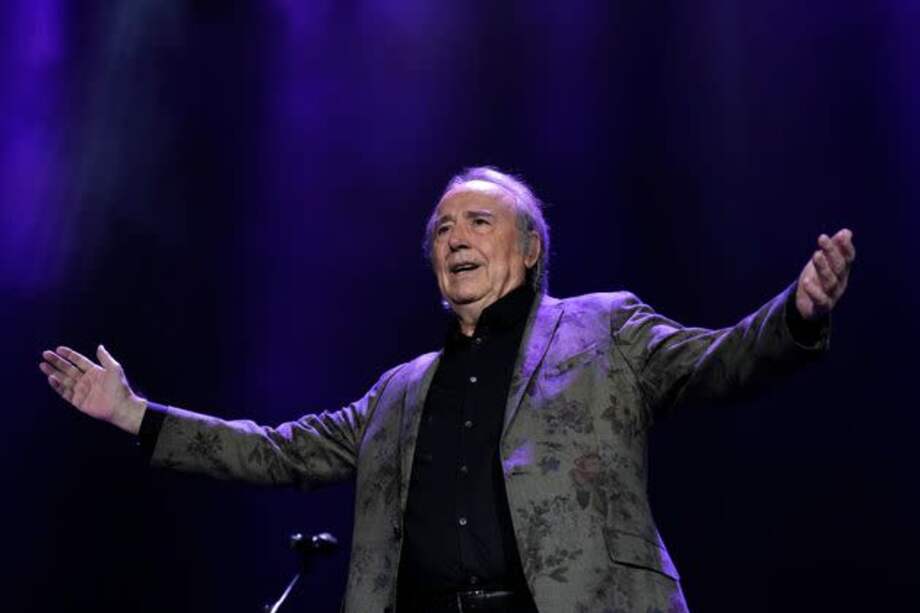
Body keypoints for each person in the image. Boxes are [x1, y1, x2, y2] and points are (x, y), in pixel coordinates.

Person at [40, 167, 855, 612]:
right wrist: (137, 414)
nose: (454, 236)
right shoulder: (398, 391)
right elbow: (279, 451)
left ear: (530, 250)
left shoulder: (603, 328)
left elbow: (718, 361)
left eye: (477, 221)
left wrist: (798, 313)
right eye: (441, 227)